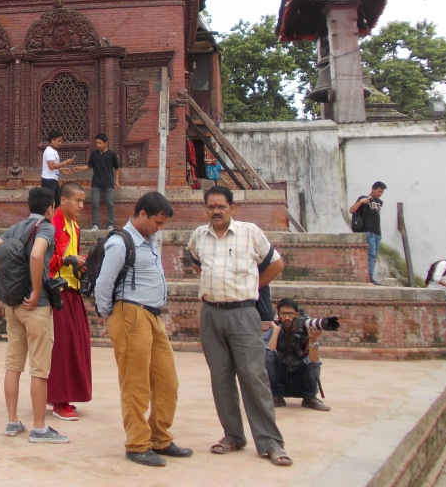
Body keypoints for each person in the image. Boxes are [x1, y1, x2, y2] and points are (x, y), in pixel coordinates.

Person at [185, 186, 291, 467]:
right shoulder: (198, 236)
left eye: (221, 206)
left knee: (254, 378)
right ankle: (233, 435)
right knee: (220, 380)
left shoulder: (250, 233)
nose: (215, 211)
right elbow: (196, 264)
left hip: (243, 313)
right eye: (210, 207)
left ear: (233, 208)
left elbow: (276, 264)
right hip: (211, 314)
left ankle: (270, 442)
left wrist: (251, 286)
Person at [96, 191, 192, 467]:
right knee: (135, 383)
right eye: (158, 223)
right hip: (131, 314)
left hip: (152, 316)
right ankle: (137, 444)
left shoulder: (146, 240)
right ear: (142, 215)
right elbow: (104, 283)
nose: (160, 229)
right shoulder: (120, 242)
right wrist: (108, 315)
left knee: (167, 381)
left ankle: (160, 437)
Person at [0, 187, 69, 444]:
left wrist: (6, 288)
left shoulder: (16, 227)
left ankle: (12, 421)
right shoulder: (46, 228)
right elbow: (36, 254)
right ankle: (40, 428)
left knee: (13, 364)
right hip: (36, 306)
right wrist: (36, 290)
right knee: (39, 368)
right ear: (51, 208)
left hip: (13, 305)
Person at [47, 182, 92, 421]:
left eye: (83, 201)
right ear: (63, 200)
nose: (81, 206)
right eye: (77, 200)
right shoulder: (52, 225)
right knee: (62, 347)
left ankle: (62, 395)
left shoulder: (73, 226)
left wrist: (80, 261)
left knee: (77, 343)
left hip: (72, 290)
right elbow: (44, 259)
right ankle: (59, 400)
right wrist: (67, 260)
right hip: (57, 293)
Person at [264, 297, 330, 411]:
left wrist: (313, 339)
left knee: (312, 363)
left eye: (290, 314)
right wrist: (275, 331)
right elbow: (266, 357)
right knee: (269, 358)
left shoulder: (306, 331)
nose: (287, 318)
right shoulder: (274, 330)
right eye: (283, 314)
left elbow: (314, 361)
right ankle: (276, 397)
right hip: (280, 381)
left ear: (297, 314)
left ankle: (310, 399)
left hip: (300, 381)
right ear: (278, 315)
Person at [350, 181, 386, 285]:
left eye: (382, 192)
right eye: (378, 191)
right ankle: (369, 276)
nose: (380, 194)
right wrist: (361, 202)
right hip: (367, 230)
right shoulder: (364, 198)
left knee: (374, 256)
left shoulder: (380, 202)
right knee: (371, 254)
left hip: (377, 232)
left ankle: (370, 276)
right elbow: (352, 210)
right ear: (373, 189)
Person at [86, 133, 121, 231]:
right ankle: (95, 224)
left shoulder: (112, 154)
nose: (97, 145)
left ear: (105, 143)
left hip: (108, 183)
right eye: (96, 143)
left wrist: (116, 181)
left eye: (99, 143)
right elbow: (89, 166)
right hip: (96, 183)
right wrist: (78, 168)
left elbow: (117, 168)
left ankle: (110, 224)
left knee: (110, 204)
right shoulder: (94, 154)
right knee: (95, 204)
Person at [40, 130, 74, 205]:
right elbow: (51, 166)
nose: (60, 143)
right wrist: (65, 163)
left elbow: (53, 165)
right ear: (52, 140)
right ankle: (49, 216)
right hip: (48, 180)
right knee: (50, 202)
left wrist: (61, 169)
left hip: (53, 179)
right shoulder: (49, 151)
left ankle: (55, 216)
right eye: (58, 141)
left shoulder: (53, 151)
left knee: (58, 200)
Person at [425, 254, 446, 325]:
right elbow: (436, 278)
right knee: (429, 315)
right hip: (432, 293)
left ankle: (442, 334)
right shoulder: (444, 264)